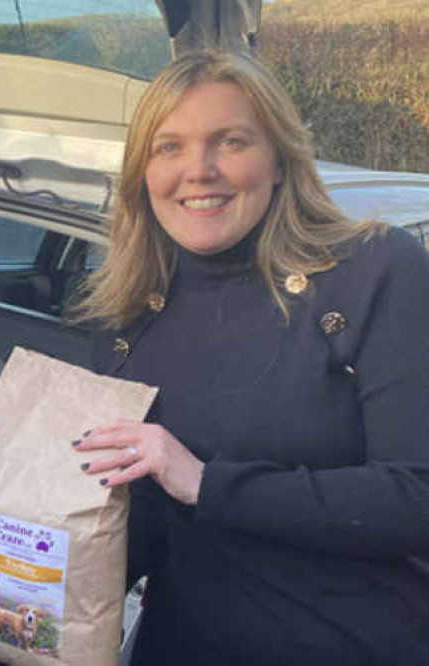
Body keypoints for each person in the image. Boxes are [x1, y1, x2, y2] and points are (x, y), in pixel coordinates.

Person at [73, 50, 429, 665]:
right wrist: (28, 563)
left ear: (281, 161)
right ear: (141, 175)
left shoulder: (377, 271)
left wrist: (206, 483)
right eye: (169, 147)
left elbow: (417, 497)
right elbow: (145, 524)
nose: (199, 170)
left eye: (230, 141)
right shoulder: (125, 315)